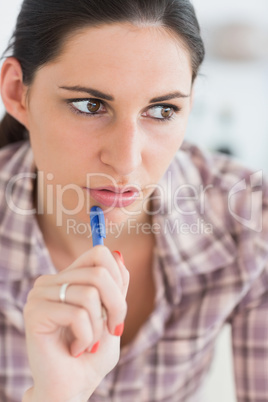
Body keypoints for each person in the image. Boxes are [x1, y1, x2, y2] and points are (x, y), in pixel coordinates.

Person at [0, 0, 267, 401]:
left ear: (190, 102)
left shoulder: (251, 216)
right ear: (18, 92)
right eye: (90, 106)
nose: (126, 160)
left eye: (162, 110)